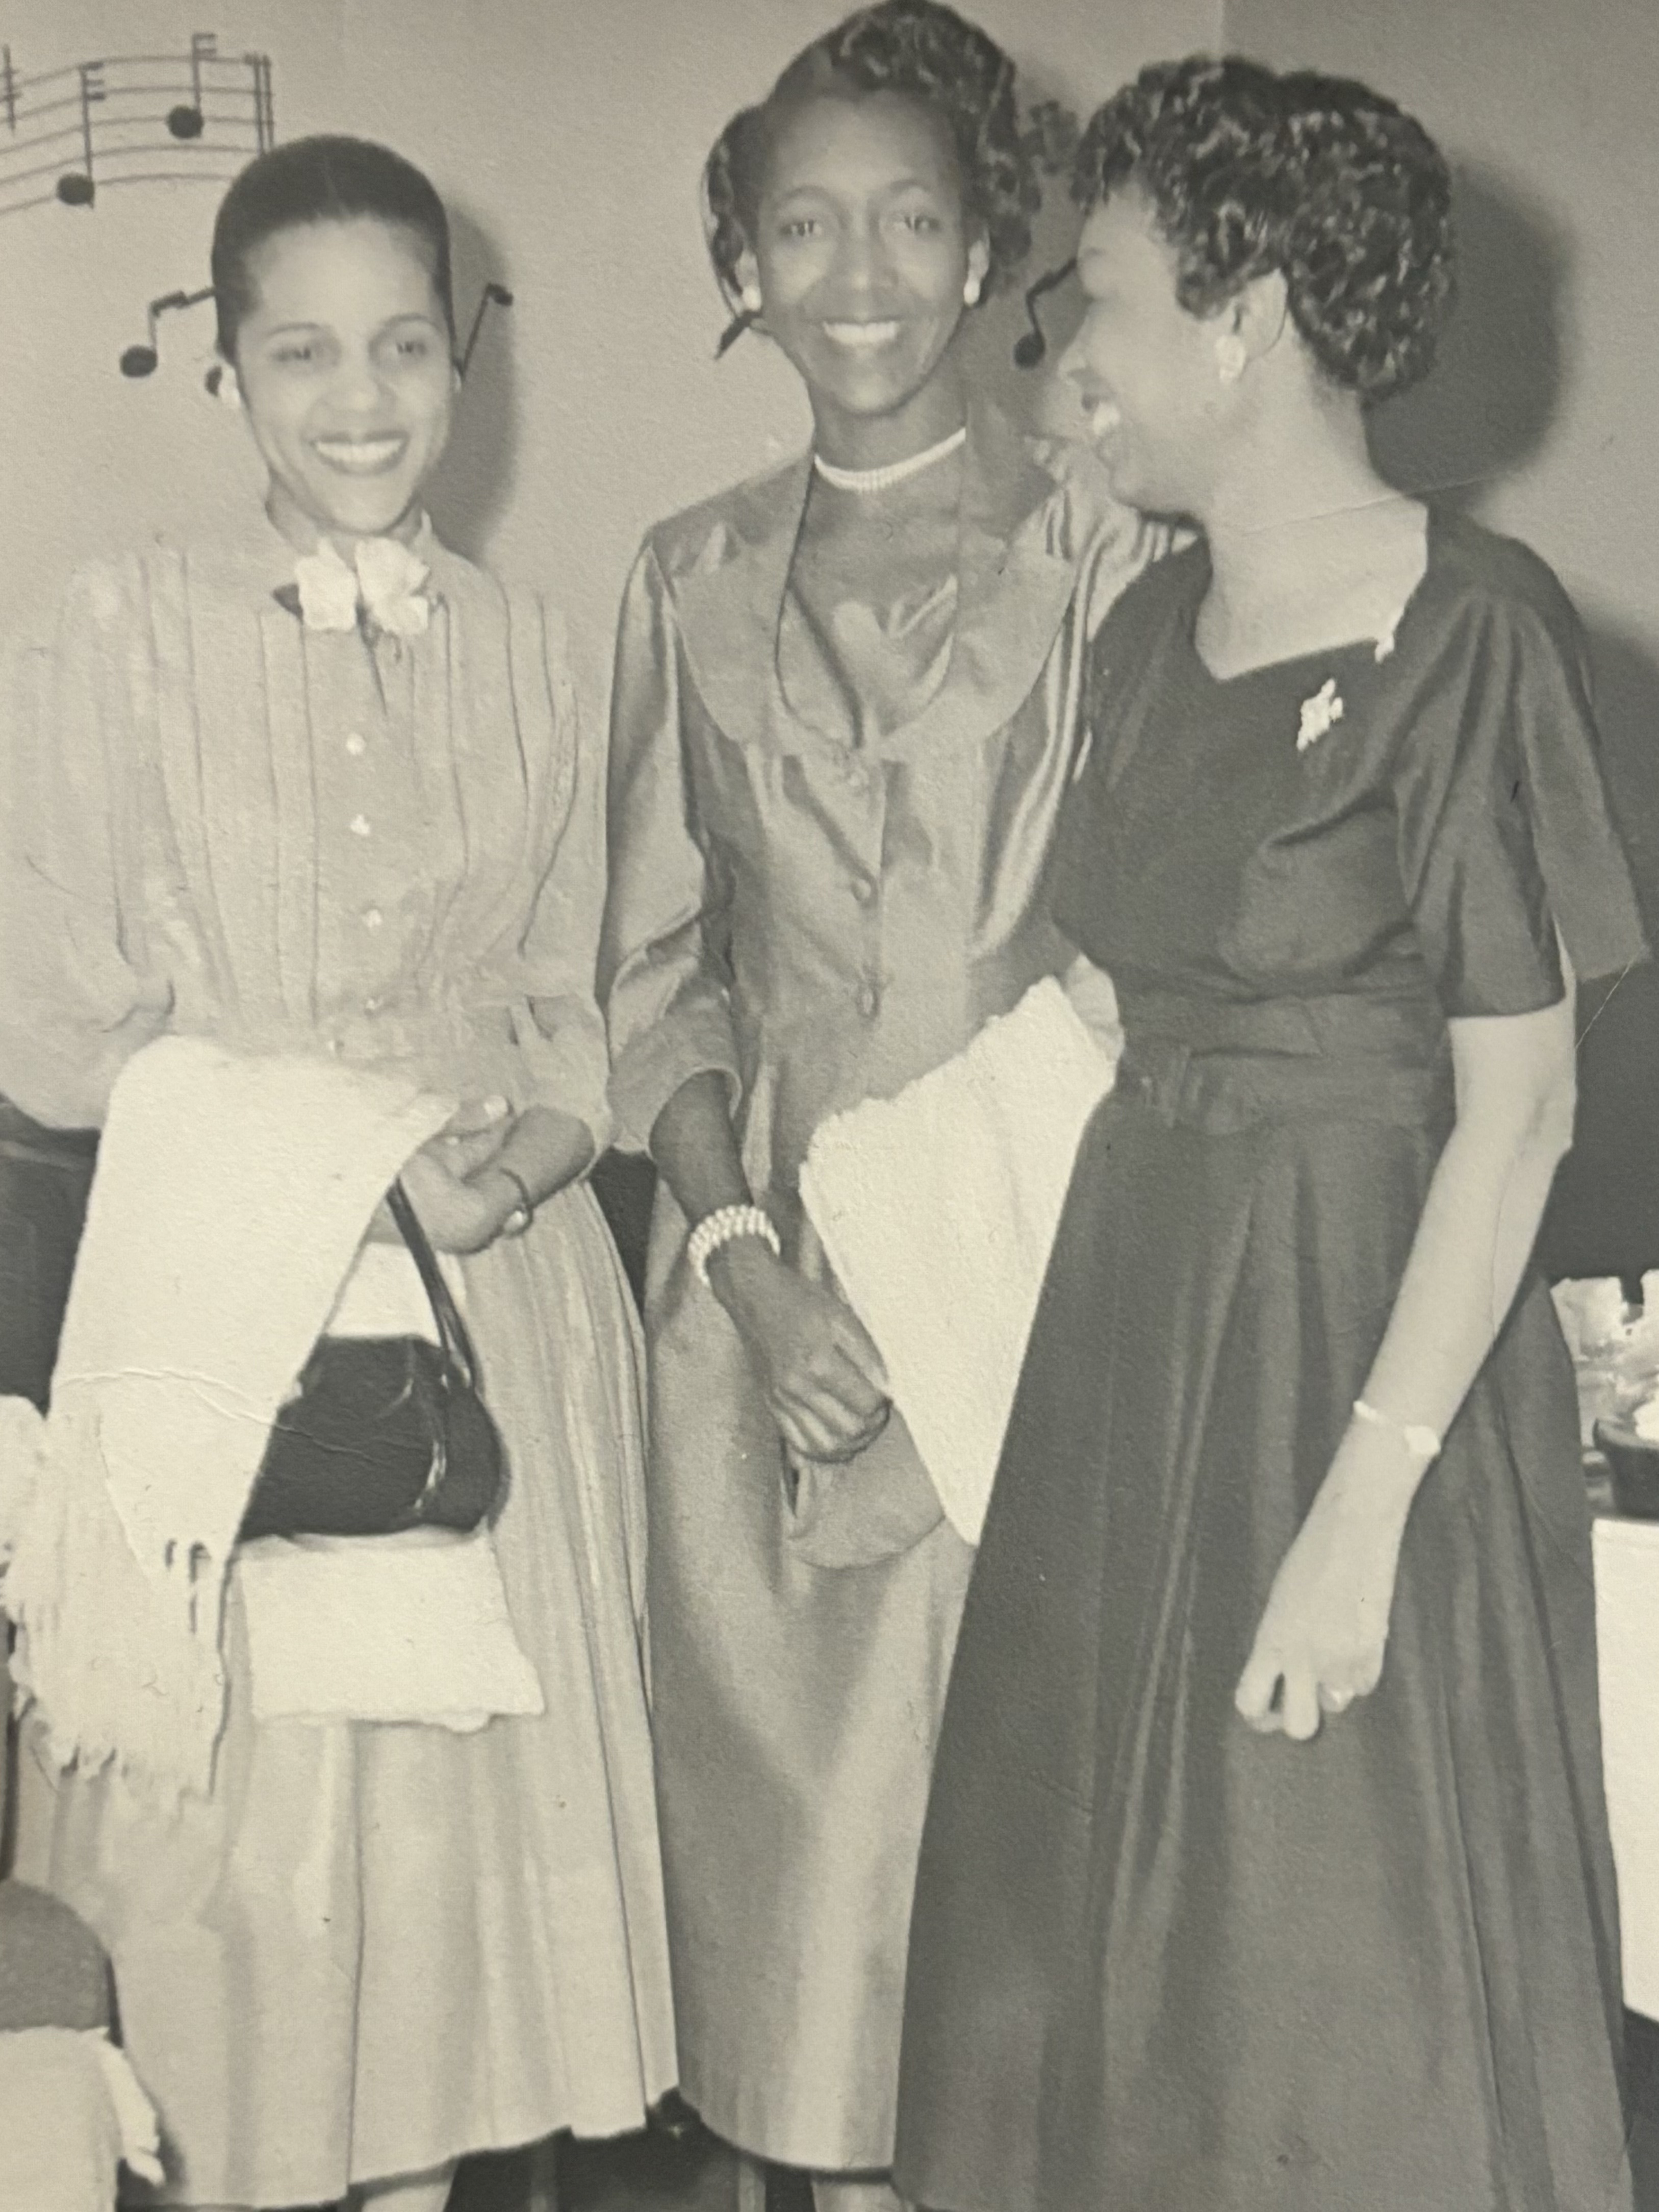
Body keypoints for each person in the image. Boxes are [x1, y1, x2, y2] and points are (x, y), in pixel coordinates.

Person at [893, 57, 1646, 2212]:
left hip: (1357, 1348)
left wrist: (1363, 1506)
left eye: (1093, 300)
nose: (1058, 368)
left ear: (1242, 315)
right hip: (1135, 1328)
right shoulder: (1139, 629)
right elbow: (1100, 1008)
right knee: (1105, 1947)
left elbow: (1522, 1113)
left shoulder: (1471, 631)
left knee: (1326, 1957)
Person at [0, 135, 675, 2212]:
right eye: (300, 349)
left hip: (507, 1344)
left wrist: (537, 1140)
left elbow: (573, 1007)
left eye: (402, 344)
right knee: (243, 1975)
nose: (358, 397)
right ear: (222, 365)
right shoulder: (115, 631)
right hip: (244, 1347)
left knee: (453, 2003)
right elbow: (51, 1024)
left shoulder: (540, 647)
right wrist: (375, 1168)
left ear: (467, 362)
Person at [598, 7, 1159, 2207]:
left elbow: (1141, 950)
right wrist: (748, 1273)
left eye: (910, 220)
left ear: (982, 246)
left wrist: (952, 1251)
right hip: (761, 1334)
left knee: (993, 1968)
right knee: (790, 1979)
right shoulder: (679, 574)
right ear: (737, 255)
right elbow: (647, 985)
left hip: (1029, 1307)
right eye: (802, 223)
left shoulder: (1103, 548)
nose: (857, 272)